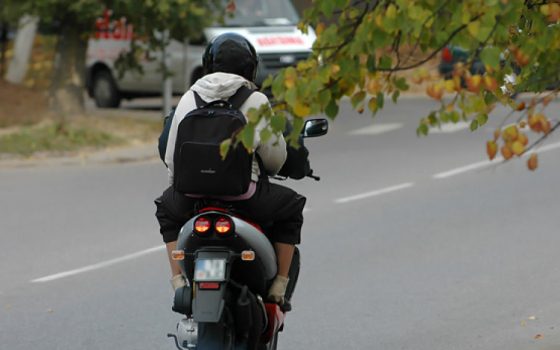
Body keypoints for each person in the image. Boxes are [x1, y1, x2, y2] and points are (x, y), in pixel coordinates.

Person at [154, 33, 306, 305]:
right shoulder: (256, 101)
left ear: (208, 65)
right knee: (292, 209)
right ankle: (278, 289)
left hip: (192, 198)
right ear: (251, 67)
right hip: (245, 199)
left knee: (166, 210)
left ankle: (178, 281)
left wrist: (182, 190)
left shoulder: (189, 98)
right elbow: (274, 161)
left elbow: (171, 157)